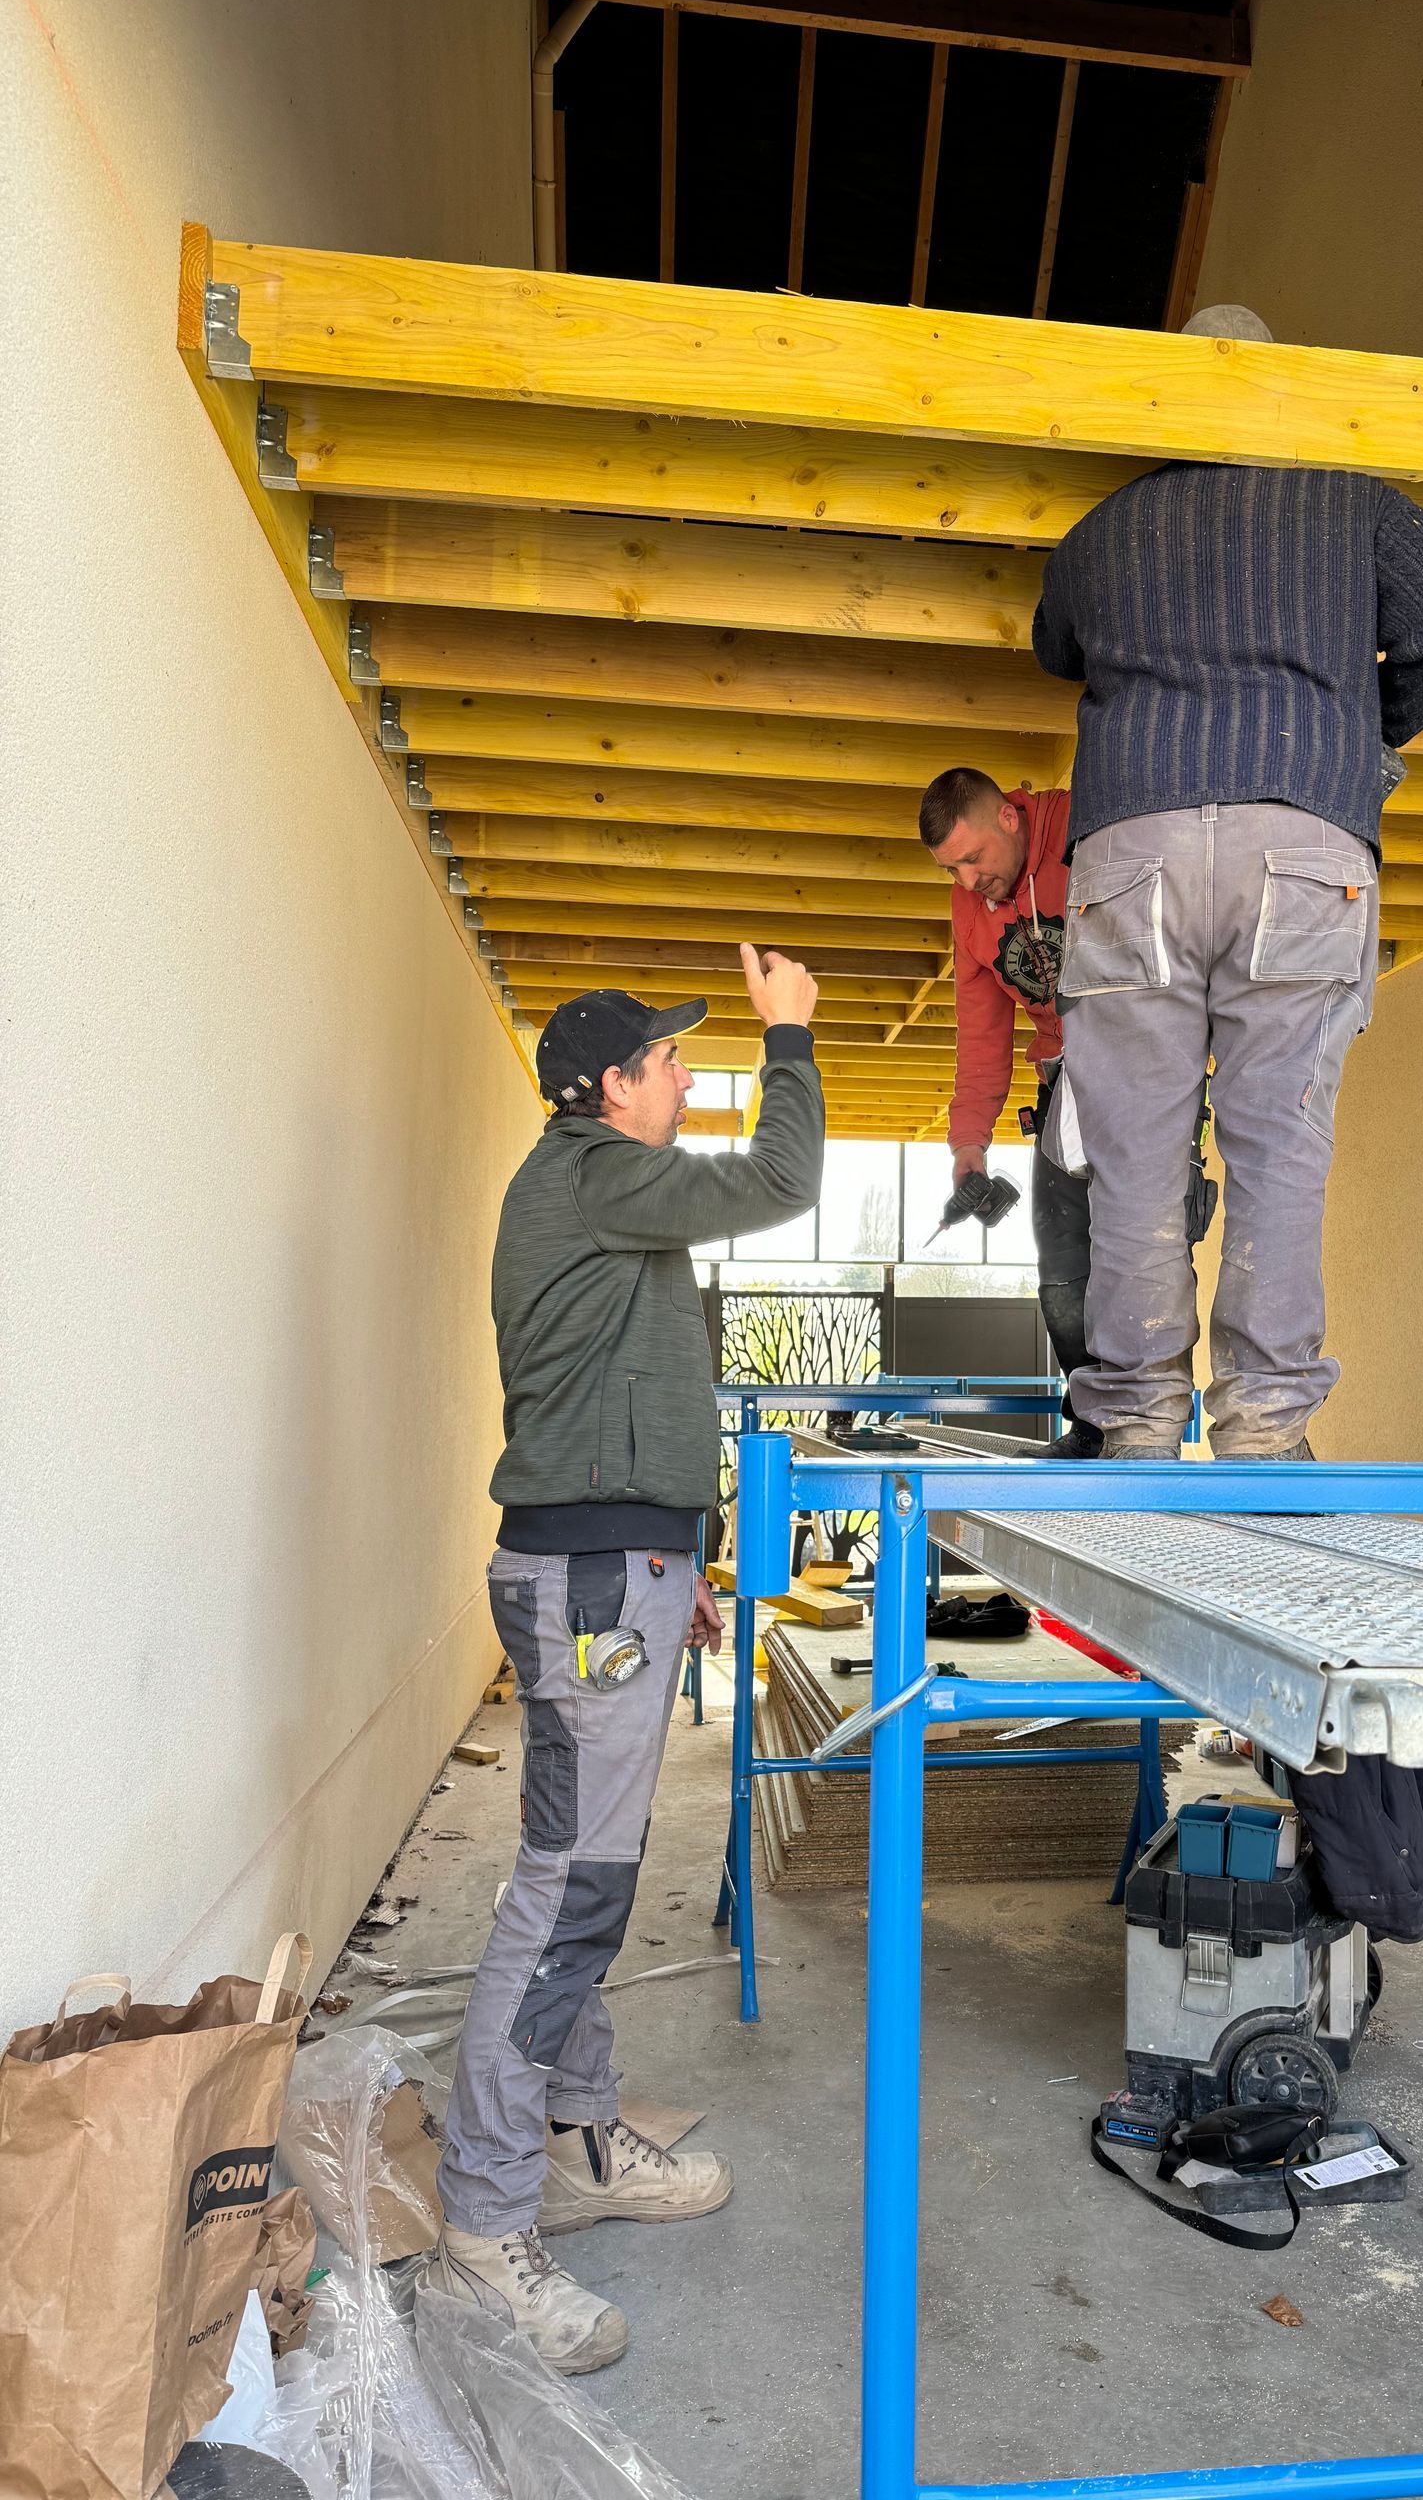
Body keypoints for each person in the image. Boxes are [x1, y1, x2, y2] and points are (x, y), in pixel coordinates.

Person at [428, 943, 823, 2372]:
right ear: (607, 1088)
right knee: (569, 1892)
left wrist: (676, 1559)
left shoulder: (608, 1203)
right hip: (591, 1574)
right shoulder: (595, 1171)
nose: (689, 1074)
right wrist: (791, 1042)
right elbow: (782, 1183)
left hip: (618, 1568)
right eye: (668, 1060)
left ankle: (582, 2152)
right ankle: (482, 2222)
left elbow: (629, 1389)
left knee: (586, 1882)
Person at [1033, 304, 1423, 1460]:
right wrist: (1354, 738)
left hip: (1132, 850)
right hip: (1303, 846)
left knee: (1136, 1152)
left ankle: (1139, 1422)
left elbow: (1054, 643)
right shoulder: (1352, 504)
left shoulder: (1106, 530)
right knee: (1276, 1145)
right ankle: (1263, 1427)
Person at [919, 766, 1103, 1457]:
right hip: (1063, 1073)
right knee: (1058, 1249)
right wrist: (969, 1143)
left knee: (1142, 1239)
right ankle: (1092, 1424)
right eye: (950, 870)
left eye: (972, 859)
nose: (967, 881)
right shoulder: (969, 912)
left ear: (1009, 817)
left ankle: (1147, 1423)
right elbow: (983, 1031)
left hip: (1143, 1060)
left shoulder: (1086, 820)